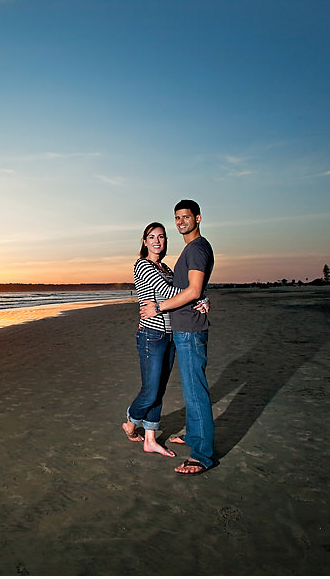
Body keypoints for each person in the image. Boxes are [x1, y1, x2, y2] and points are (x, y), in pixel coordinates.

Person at [140, 200, 214, 475]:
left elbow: (193, 290)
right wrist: (202, 296)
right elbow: (192, 289)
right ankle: (194, 436)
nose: (181, 221)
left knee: (196, 393)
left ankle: (202, 455)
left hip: (190, 329)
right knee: (191, 390)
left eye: (186, 217)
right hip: (184, 327)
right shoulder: (192, 249)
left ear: (198, 218)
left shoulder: (196, 248)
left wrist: (157, 307)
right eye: (177, 217)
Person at [122, 222, 208, 457]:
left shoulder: (167, 268)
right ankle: (131, 420)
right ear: (144, 241)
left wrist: (201, 297)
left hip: (171, 334)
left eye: (161, 237)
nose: (157, 241)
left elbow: (185, 288)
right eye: (152, 237)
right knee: (150, 391)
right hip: (151, 335)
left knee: (159, 390)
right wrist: (194, 294)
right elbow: (171, 292)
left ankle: (150, 438)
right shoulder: (142, 265)